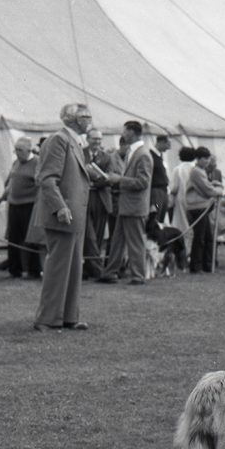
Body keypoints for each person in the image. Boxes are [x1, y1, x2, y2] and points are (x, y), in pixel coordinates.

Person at [29, 103, 94, 331]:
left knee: (74, 267)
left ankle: (68, 317)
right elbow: (47, 178)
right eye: (86, 116)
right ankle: (47, 318)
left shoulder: (74, 141)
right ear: (73, 119)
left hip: (74, 214)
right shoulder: (59, 140)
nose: (90, 119)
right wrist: (60, 207)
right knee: (58, 267)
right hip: (63, 213)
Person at [99, 121, 153, 285]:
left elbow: (143, 182)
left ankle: (138, 275)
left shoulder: (142, 154)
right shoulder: (134, 152)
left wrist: (119, 179)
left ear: (132, 132)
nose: (122, 135)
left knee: (135, 242)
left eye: (124, 131)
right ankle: (110, 272)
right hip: (127, 205)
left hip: (134, 206)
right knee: (117, 242)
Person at [0, 137, 42, 280]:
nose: (17, 153)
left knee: (31, 238)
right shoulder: (16, 163)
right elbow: (11, 183)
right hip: (14, 205)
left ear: (29, 150)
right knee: (13, 238)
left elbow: (40, 184)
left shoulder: (37, 163)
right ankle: (14, 270)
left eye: (20, 150)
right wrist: (2, 197)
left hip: (29, 205)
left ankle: (34, 270)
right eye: (16, 150)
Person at [82, 129, 117, 280]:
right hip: (83, 198)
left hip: (101, 199)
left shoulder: (107, 157)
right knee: (89, 235)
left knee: (98, 235)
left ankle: (88, 268)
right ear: (87, 139)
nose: (97, 142)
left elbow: (108, 178)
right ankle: (98, 271)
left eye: (99, 139)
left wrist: (93, 179)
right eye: (94, 139)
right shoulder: (79, 153)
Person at [184, 146, 224, 274]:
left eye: (208, 158)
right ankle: (196, 266)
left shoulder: (201, 171)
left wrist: (214, 186)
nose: (207, 161)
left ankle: (207, 265)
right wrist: (219, 191)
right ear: (198, 159)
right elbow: (207, 190)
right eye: (204, 158)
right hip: (197, 208)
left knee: (208, 237)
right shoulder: (196, 171)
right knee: (200, 238)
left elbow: (206, 187)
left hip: (203, 207)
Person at [149, 134, 171, 226]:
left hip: (163, 191)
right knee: (156, 217)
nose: (169, 147)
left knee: (161, 217)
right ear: (161, 142)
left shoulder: (160, 156)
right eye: (167, 144)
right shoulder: (151, 156)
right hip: (156, 191)